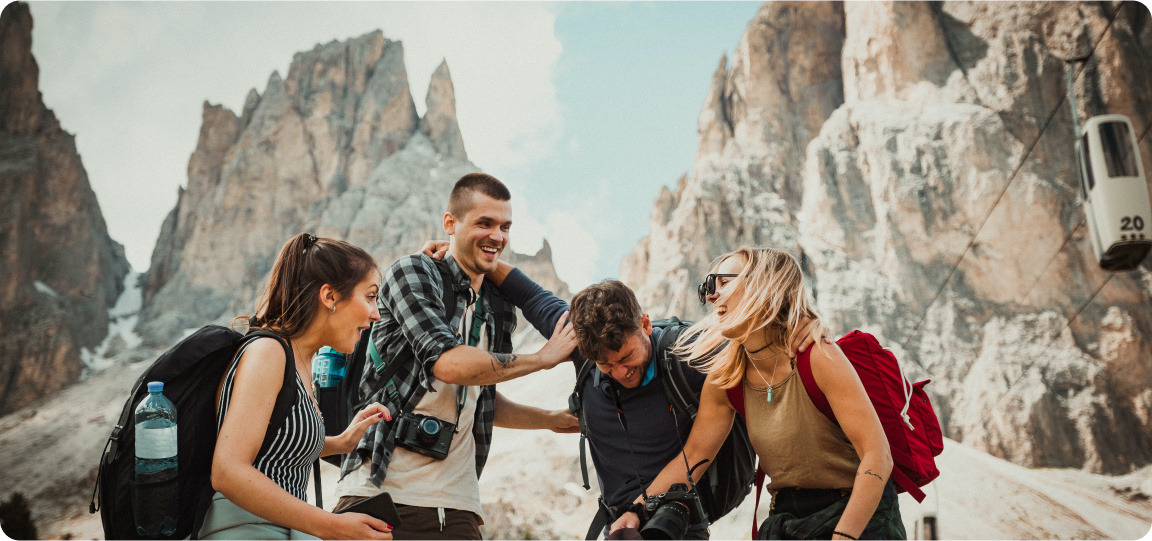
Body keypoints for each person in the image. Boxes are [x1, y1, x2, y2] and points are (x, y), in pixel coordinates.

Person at [418, 242, 822, 541]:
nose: (620, 372)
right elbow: (527, 293)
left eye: (627, 357)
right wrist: (465, 253)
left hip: (679, 522)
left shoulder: (689, 353)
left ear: (645, 324)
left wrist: (804, 325)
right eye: (605, 366)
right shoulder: (580, 344)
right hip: (616, 527)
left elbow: (759, 338)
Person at [335, 173, 580, 541]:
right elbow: (448, 364)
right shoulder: (413, 272)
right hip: (379, 493)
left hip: (458, 508)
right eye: (485, 223)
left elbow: (479, 395)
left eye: (505, 227)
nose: (498, 236)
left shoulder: (497, 307)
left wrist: (549, 420)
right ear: (450, 223)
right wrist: (542, 359)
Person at [611, 246, 906, 541]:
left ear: (764, 284)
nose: (711, 296)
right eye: (709, 287)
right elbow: (693, 458)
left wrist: (844, 537)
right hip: (787, 519)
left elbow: (877, 456)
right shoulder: (726, 378)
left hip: (858, 516)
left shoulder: (817, 355)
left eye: (723, 282)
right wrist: (637, 510)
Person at [206, 233, 394, 541]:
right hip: (245, 531)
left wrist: (341, 442)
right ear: (330, 297)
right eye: (370, 297)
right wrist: (332, 526)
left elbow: (274, 443)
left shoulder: (299, 361)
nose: (376, 313)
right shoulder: (269, 352)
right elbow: (228, 471)